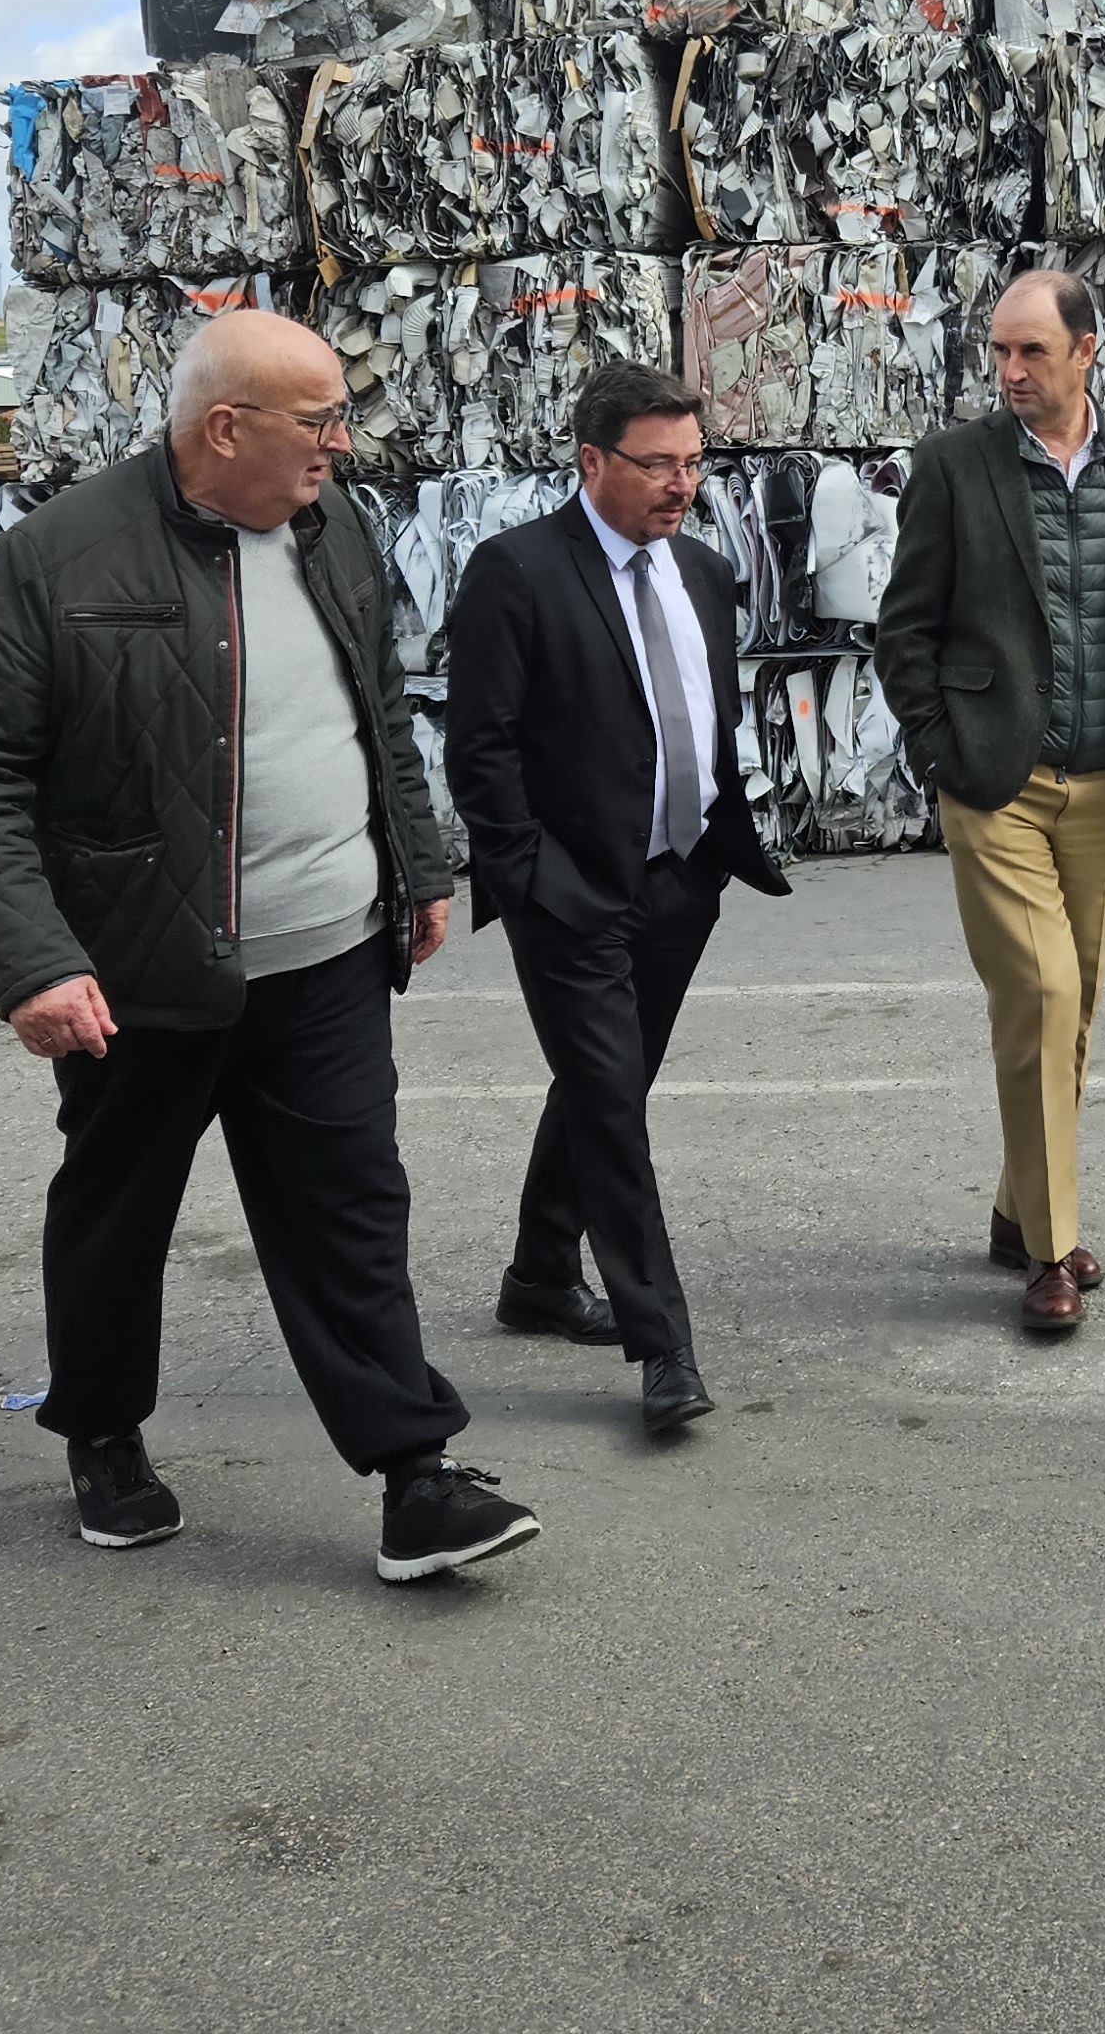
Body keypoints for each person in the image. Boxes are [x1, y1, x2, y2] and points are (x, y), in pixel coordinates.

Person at [0, 307, 536, 1585]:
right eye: (317, 422)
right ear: (225, 427)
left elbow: (376, 713)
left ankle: (415, 1476)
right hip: (141, 971)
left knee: (352, 1210)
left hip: (327, 957)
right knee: (118, 1209)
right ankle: (101, 1431)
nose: (339, 444)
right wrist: (33, 962)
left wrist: (418, 866)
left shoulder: (334, 528)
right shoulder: (62, 553)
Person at [442, 362, 789, 1437]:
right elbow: (479, 748)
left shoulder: (701, 571)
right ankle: (662, 1341)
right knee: (608, 1102)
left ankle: (540, 1276)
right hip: (571, 894)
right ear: (592, 460)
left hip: (681, 878)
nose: (681, 484)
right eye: (658, 465)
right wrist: (530, 877)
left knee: (607, 1084)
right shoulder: (516, 571)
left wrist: (712, 850)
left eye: (693, 462)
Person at [874, 270, 1105, 1334]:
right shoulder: (953, 467)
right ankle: (1053, 1254)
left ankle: (1020, 1209)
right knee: (1044, 995)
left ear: (1086, 352)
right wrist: (944, 756)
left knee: (1070, 1011)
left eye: (1031, 353)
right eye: (999, 353)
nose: (1011, 373)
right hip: (996, 785)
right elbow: (904, 630)